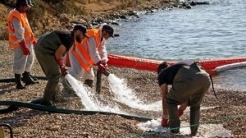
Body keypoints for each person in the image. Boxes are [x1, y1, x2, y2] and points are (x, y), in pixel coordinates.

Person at [33, 25, 88, 106]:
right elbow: (58, 54)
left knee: (54, 74)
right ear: (78, 32)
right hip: (45, 50)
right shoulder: (69, 38)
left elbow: (59, 54)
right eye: (83, 35)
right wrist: (62, 66)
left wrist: (61, 66)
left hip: (41, 47)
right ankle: (45, 101)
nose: (83, 37)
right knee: (54, 75)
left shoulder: (68, 35)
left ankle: (54, 97)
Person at [157, 61, 211, 136]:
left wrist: (165, 118)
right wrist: (177, 114)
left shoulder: (162, 74)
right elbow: (186, 99)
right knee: (195, 106)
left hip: (189, 78)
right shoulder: (177, 69)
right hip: (205, 78)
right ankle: (194, 133)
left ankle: (174, 131)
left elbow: (165, 98)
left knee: (170, 101)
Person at [7, 0, 38, 89]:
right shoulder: (15, 16)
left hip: (27, 42)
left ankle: (27, 77)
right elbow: (19, 33)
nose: (28, 8)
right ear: (21, 5)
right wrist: (24, 46)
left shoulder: (21, 13)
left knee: (30, 59)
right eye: (26, 6)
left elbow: (27, 28)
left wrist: (33, 39)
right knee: (20, 61)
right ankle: (18, 82)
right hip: (20, 43)